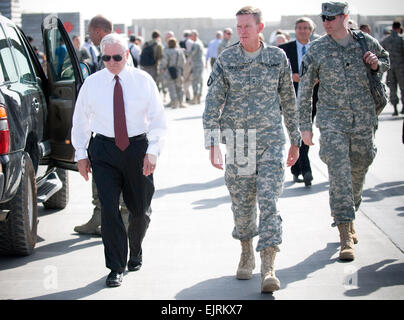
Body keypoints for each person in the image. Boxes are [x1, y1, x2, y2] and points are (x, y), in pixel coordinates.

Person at [203, 6, 301, 293]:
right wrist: (212, 143)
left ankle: (268, 266)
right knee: (244, 204)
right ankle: (246, 249)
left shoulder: (277, 57)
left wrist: (294, 139)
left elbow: (288, 100)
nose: (242, 30)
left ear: (260, 28)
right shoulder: (227, 58)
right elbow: (212, 101)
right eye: (239, 26)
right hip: (239, 141)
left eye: (247, 25)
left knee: (269, 199)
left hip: (271, 139)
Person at [72, 33, 167, 287]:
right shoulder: (92, 83)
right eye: (106, 58)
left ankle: (135, 249)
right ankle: (115, 266)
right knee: (109, 208)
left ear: (127, 55)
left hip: (137, 149)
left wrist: (153, 151)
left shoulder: (143, 81)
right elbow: (80, 120)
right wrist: (81, 154)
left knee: (140, 210)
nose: (111, 62)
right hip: (103, 150)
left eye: (117, 57)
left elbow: (158, 119)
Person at [298, 1, 389, 261]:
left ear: (345, 17)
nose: (326, 21)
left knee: (359, 169)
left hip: (363, 117)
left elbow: (386, 61)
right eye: (323, 17)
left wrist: (375, 65)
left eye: (331, 17)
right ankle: (344, 233)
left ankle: (352, 211)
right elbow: (304, 90)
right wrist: (304, 127)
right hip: (331, 120)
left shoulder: (365, 42)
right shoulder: (316, 49)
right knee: (338, 173)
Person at [74, 15, 131, 236]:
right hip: (105, 128)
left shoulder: (115, 51)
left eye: (90, 33)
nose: (89, 37)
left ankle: (123, 222)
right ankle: (100, 217)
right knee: (101, 177)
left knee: (117, 178)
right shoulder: (107, 50)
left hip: (117, 129)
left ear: (99, 31)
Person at [279, 17, 319, 187]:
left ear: (311, 30)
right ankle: (306, 169)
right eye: (299, 28)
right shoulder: (284, 49)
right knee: (297, 130)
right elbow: (278, 73)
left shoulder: (318, 49)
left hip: (314, 97)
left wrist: (318, 78)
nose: (302, 31)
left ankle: (296, 169)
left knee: (305, 130)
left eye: (305, 28)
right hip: (292, 97)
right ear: (295, 30)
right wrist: (291, 77)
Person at [381, 21, 404, 115]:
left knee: (392, 88)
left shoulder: (385, 40)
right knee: (403, 88)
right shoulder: (401, 39)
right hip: (401, 67)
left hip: (390, 68)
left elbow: (380, 53)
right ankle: (403, 108)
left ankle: (395, 109)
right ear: (399, 28)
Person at [160, 37, 186, 108]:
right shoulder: (180, 51)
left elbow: (164, 61)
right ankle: (181, 102)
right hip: (178, 70)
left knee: (171, 87)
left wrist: (162, 68)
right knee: (179, 87)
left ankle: (174, 103)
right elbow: (183, 61)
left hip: (169, 71)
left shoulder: (166, 51)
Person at [189, 30, 204, 104]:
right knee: (200, 81)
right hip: (200, 64)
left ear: (194, 35)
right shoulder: (200, 42)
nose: (190, 37)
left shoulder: (195, 44)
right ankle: (198, 97)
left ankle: (195, 97)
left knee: (195, 81)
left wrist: (184, 51)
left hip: (196, 65)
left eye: (191, 35)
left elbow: (192, 53)